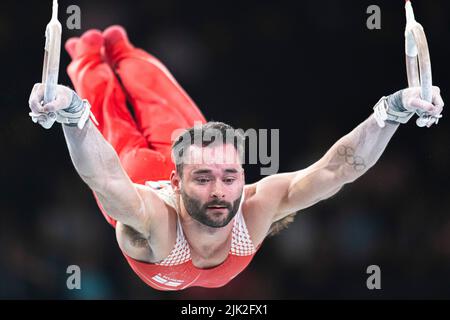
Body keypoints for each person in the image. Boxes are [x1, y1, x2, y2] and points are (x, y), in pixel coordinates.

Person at [28, 26, 444, 291]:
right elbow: (105, 179)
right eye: (204, 177)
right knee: (106, 108)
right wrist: (71, 112)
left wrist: (390, 111)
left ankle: (119, 47)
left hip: (169, 163)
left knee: (160, 97)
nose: (220, 191)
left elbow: (339, 168)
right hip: (134, 173)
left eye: (230, 176)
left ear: (243, 176)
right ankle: (86, 52)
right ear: (176, 180)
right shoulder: (155, 217)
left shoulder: (256, 204)